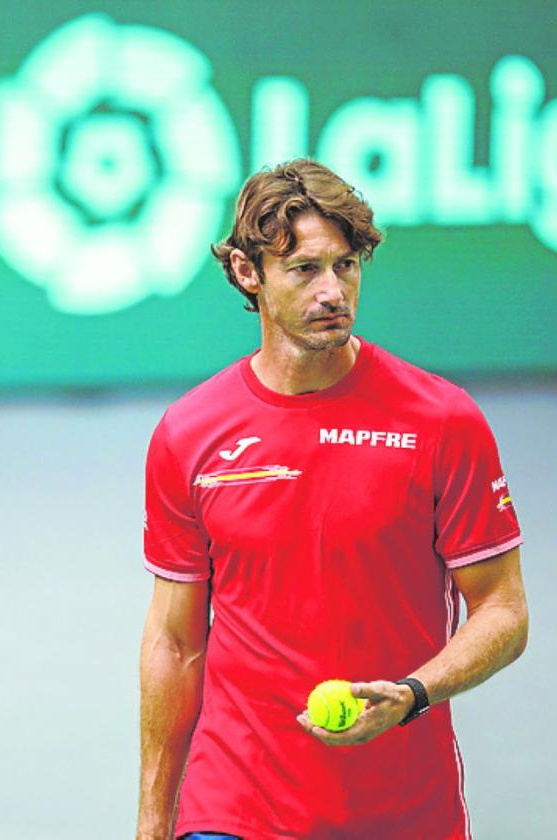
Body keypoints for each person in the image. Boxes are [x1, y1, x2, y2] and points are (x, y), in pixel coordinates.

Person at [136, 159, 527, 839]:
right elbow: (175, 644)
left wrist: (412, 695)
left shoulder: (442, 421)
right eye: (305, 269)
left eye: (346, 267)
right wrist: (152, 820)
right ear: (246, 273)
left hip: (403, 810)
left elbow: (503, 609)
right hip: (233, 804)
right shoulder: (188, 434)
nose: (332, 291)